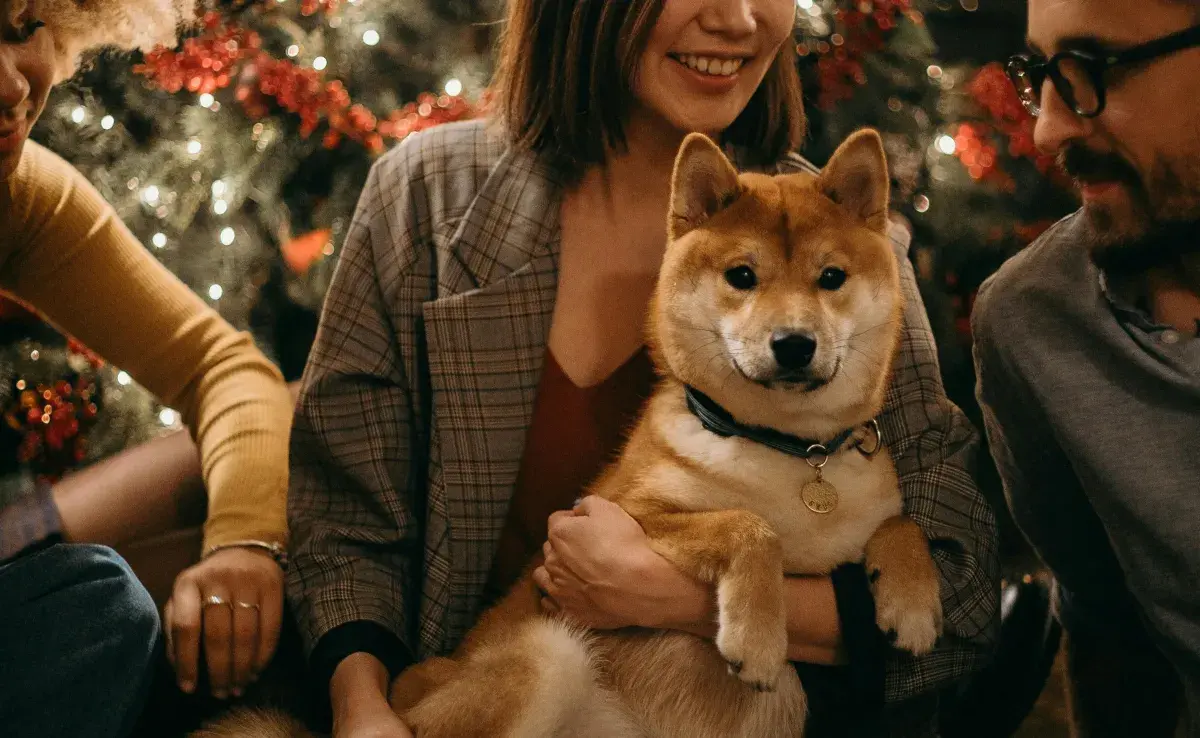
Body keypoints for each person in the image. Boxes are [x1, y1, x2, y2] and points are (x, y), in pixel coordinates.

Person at [287, 1, 1000, 736]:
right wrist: (362, 708)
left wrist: (675, 597)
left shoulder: (848, 247)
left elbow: (966, 595)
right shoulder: (425, 200)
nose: (738, 20)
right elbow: (342, 525)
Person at [0, 0, 295, 733]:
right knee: (103, 609)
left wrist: (245, 544)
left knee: (295, 426)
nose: (10, 86)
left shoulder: (21, 198)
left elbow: (222, 368)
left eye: (20, 31)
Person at [972, 0, 1200, 734]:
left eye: (1091, 70)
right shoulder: (1034, 322)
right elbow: (1110, 631)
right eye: (1040, 74)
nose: (1046, 128)